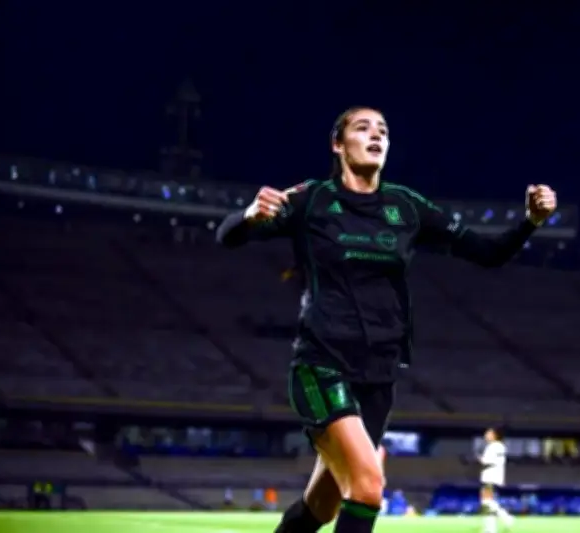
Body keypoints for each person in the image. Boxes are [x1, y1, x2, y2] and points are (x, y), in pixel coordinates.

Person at [216, 106, 557, 533]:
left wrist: (530, 222)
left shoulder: (406, 206)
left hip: (379, 376)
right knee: (368, 488)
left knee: (321, 506)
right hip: (323, 365)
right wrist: (249, 215)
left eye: (383, 130)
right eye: (363, 128)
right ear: (338, 144)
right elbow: (227, 236)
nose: (376, 136)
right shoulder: (313, 199)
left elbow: (488, 253)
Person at [479, 428, 513, 533]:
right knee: (487, 502)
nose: (486, 435)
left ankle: (505, 518)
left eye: (488, 433)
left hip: (491, 475)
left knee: (486, 501)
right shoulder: (500, 446)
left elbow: (487, 461)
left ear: (494, 435)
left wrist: (480, 459)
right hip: (494, 475)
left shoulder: (494, 446)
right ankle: (491, 528)